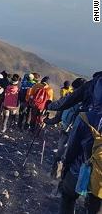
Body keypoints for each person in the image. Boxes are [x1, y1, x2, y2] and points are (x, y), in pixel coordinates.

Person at [47, 72, 102, 214]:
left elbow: (66, 102)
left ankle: (59, 181)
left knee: (68, 195)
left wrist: (50, 106)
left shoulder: (93, 85)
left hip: (82, 159)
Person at [45, 78, 87, 178]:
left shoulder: (69, 99)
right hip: (77, 135)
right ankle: (60, 179)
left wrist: (47, 120)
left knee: (61, 154)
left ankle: (55, 175)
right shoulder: (87, 103)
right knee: (68, 157)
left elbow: (57, 117)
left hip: (67, 132)